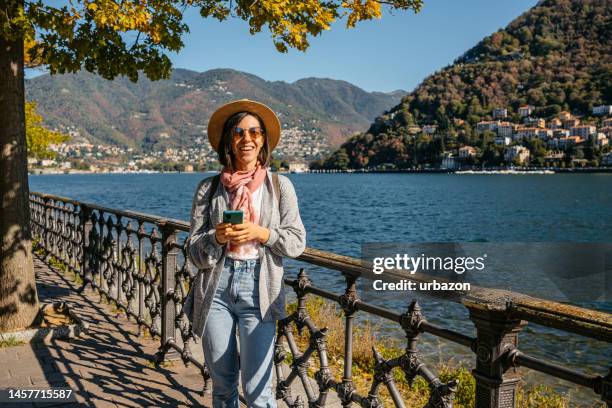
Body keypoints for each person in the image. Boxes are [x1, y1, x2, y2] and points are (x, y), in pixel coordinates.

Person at [182, 99, 306, 408]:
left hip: (260, 291)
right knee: (222, 386)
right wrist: (217, 237)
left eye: (254, 132)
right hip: (216, 288)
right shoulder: (208, 189)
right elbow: (193, 250)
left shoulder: (280, 186)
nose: (246, 139)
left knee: (258, 390)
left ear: (263, 139)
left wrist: (260, 233)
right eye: (239, 132)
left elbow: (296, 242)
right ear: (229, 139)